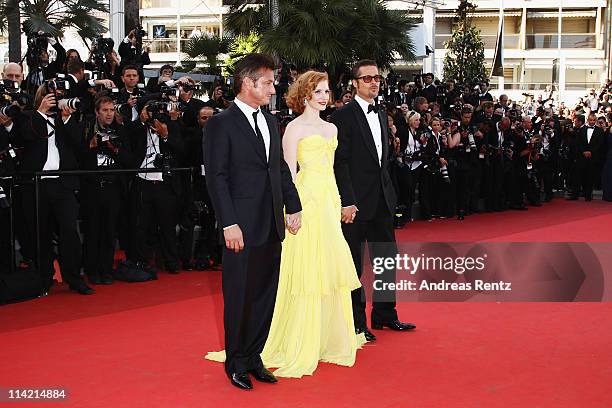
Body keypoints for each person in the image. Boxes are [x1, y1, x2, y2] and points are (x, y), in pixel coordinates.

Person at [256, 70, 366, 378]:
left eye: (326, 91)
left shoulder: (331, 129)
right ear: (305, 94)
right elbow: (287, 172)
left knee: (328, 266)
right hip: (305, 200)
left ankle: (327, 337)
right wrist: (291, 208)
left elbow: (333, 170)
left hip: (328, 199)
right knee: (306, 266)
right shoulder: (293, 128)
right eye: (318, 91)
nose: (324, 97)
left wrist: (342, 200)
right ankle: (301, 338)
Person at [203, 54, 302, 390]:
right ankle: (236, 362)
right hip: (240, 228)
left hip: (271, 222)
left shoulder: (271, 122)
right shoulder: (220, 123)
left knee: (263, 296)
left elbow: (279, 169)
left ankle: (254, 357)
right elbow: (216, 178)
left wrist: (293, 204)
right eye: (269, 82)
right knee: (239, 296)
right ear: (248, 82)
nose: (274, 89)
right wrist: (228, 223)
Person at [330, 60, 416, 343]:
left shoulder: (381, 112)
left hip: (381, 200)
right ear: (354, 83)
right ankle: (356, 323)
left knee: (386, 259)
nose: (373, 82)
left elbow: (384, 160)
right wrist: (348, 201)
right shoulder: (342, 117)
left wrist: (390, 194)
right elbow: (340, 163)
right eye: (366, 78)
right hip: (354, 204)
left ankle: (384, 315)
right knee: (353, 265)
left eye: (377, 77)